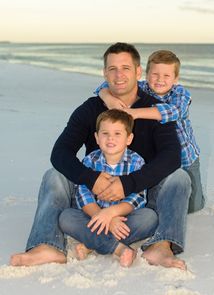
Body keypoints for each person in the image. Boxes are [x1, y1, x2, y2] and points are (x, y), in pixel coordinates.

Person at [10, 42, 191, 270]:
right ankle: (48, 245)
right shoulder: (90, 108)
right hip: (95, 197)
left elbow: (171, 157)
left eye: (125, 68)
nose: (119, 75)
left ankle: (161, 246)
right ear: (104, 73)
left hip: (139, 196)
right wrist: (91, 178)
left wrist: (128, 184)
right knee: (53, 176)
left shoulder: (155, 108)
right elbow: (60, 153)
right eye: (112, 69)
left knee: (179, 177)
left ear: (138, 72)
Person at [95, 50, 205, 213]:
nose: (160, 80)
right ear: (145, 74)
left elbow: (174, 111)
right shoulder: (142, 87)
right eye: (155, 74)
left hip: (185, 157)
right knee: (158, 191)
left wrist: (135, 113)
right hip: (158, 154)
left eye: (166, 76)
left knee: (193, 206)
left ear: (175, 79)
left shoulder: (180, 93)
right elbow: (108, 85)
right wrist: (107, 97)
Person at [59, 109, 158, 267]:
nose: (110, 138)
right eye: (105, 133)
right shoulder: (90, 161)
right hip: (93, 216)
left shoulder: (136, 161)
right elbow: (82, 194)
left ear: (129, 138)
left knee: (149, 218)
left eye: (118, 133)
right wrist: (103, 217)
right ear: (97, 138)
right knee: (67, 217)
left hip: (124, 217)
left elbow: (138, 197)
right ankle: (118, 248)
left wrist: (111, 215)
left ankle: (91, 244)